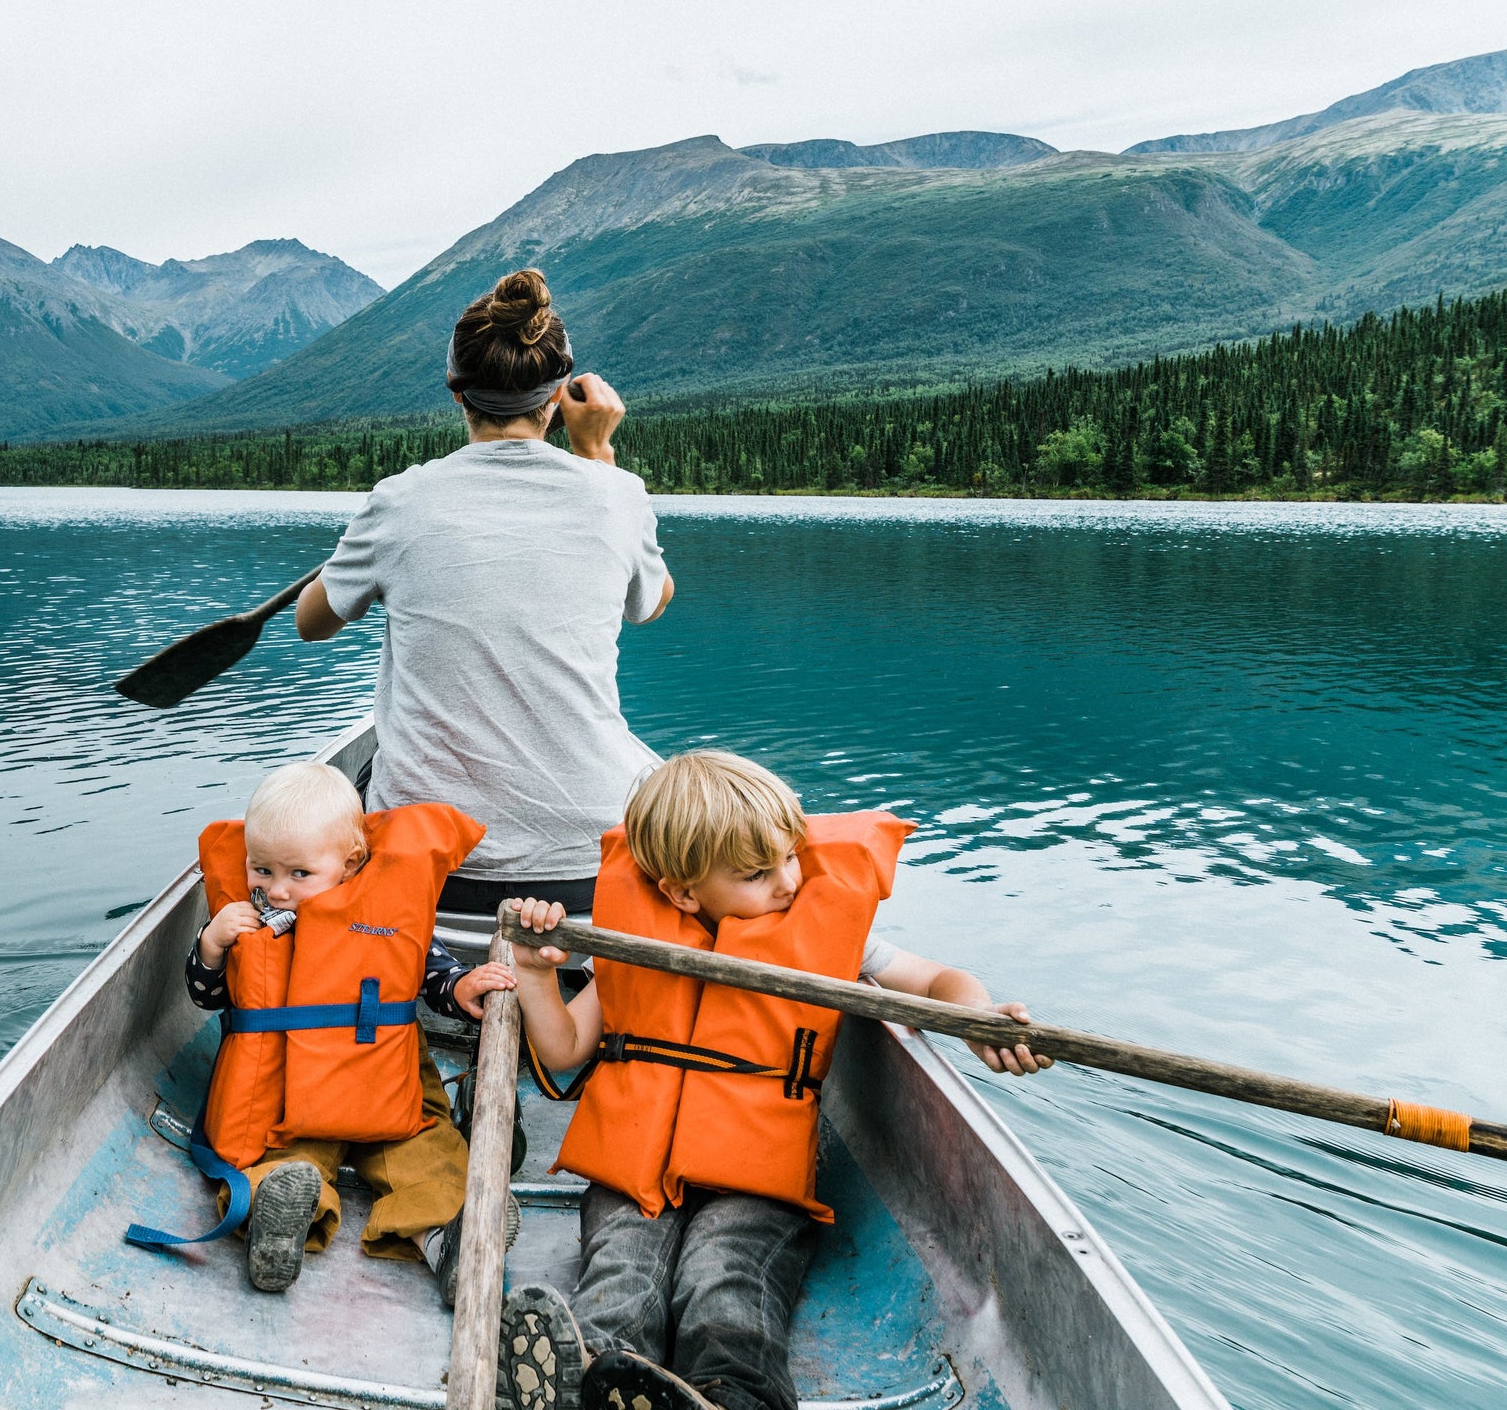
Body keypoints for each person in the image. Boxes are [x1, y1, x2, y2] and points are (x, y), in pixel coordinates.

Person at [497, 752, 1051, 1410]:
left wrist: (976, 1017)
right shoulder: (630, 940)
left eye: (791, 856)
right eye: (759, 874)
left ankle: (732, 1397)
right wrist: (534, 976)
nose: (790, 881)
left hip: (755, 1184)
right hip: (632, 1175)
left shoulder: (825, 932)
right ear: (680, 892)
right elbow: (563, 1052)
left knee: (724, 1282)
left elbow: (934, 982)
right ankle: (593, 1376)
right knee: (622, 1274)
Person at [294, 268, 674, 914]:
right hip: (590, 865)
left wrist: (364, 558)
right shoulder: (616, 492)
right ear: (559, 396)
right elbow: (653, 602)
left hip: (430, 869)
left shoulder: (400, 500)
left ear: (455, 391)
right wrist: (598, 454)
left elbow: (312, 623)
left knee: (360, 779)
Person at [138, 762, 519, 1303]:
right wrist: (210, 946)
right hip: (287, 1104)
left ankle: (448, 1243)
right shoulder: (250, 920)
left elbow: (429, 973)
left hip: (387, 1093)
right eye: (261, 870)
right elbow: (209, 996)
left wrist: (460, 990)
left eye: (299, 874)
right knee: (277, 1165)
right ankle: (277, 1227)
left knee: (428, 1158)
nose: (277, 890)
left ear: (351, 862)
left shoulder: (383, 912)